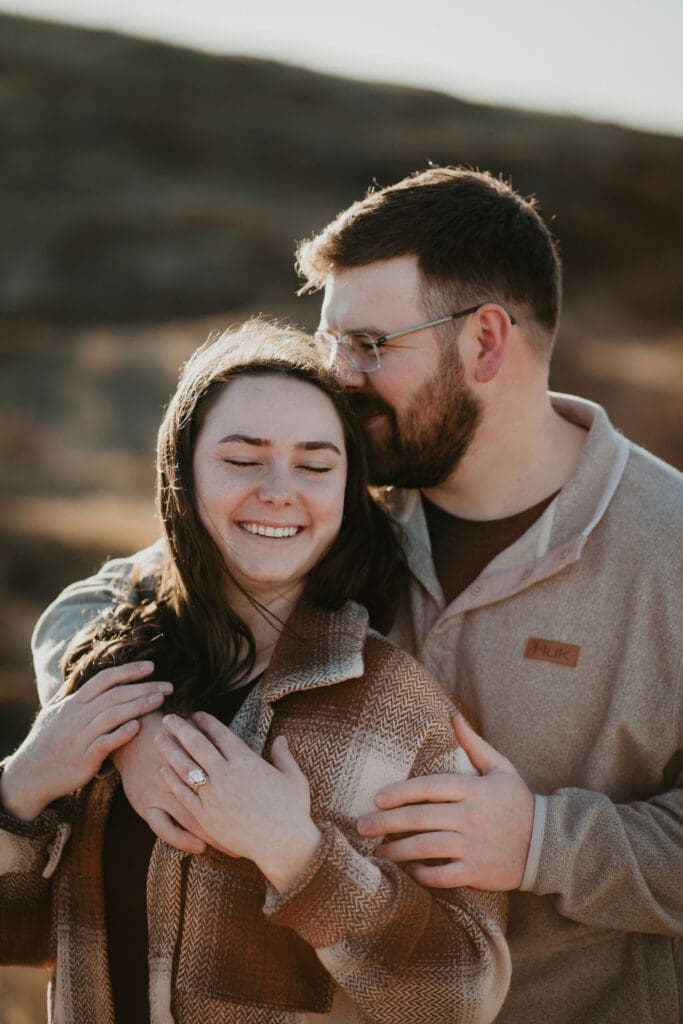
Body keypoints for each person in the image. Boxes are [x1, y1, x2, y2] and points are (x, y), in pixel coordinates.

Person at [31, 168, 682, 1023]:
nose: (338, 376)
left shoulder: (666, 547)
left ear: (486, 342)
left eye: (370, 345)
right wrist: (138, 730)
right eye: (331, 340)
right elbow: (98, 606)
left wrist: (541, 842)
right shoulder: (341, 488)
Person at [1, 320, 510, 1024]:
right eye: (242, 459)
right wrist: (20, 791)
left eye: (314, 464)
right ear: (180, 474)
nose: (279, 490)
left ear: (347, 488)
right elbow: (19, 938)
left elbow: (461, 997)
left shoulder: (393, 707)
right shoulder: (111, 679)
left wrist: (293, 852)